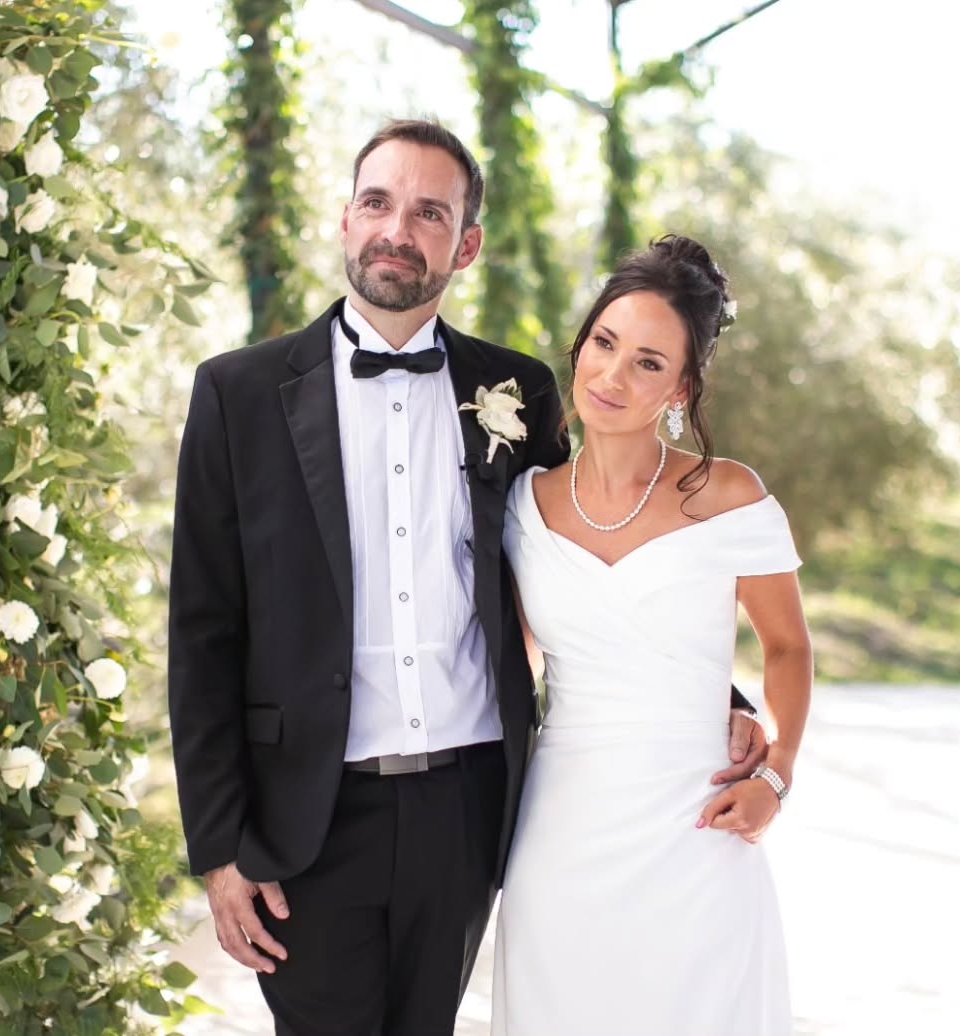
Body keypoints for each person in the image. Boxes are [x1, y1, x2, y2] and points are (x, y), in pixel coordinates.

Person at [167, 122, 767, 1035]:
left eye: (429, 212)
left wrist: (714, 694)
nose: (397, 230)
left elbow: (581, 558)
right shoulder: (238, 395)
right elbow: (203, 630)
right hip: (306, 818)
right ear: (345, 218)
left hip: (467, 806)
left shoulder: (518, 392)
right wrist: (218, 848)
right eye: (378, 202)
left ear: (466, 243)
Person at [490, 234, 813, 1035]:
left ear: (683, 386)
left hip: (697, 824)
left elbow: (787, 648)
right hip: (561, 832)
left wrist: (776, 771)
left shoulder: (729, 495)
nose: (612, 375)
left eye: (647, 362)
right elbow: (514, 661)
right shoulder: (521, 507)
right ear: (580, 344)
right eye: (604, 343)